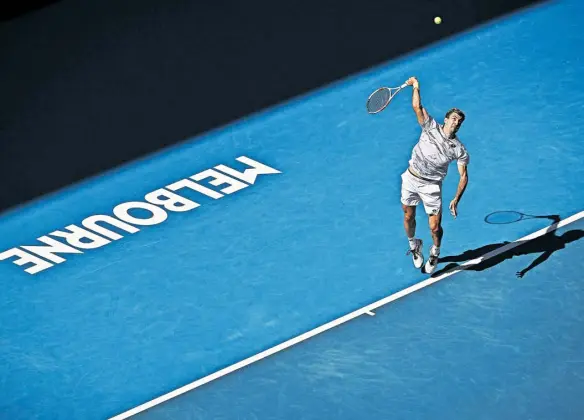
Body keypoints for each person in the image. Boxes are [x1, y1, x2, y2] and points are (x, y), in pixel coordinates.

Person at [401, 76, 469, 274]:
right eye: (454, 118)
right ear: (446, 119)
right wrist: (416, 86)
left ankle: (435, 252)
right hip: (411, 178)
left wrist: (456, 199)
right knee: (408, 216)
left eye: (460, 121)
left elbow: (463, 176)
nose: (456, 123)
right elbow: (417, 107)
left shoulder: (459, 150)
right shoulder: (430, 126)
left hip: (431, 186)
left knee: (434, 227)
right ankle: (414, 246)